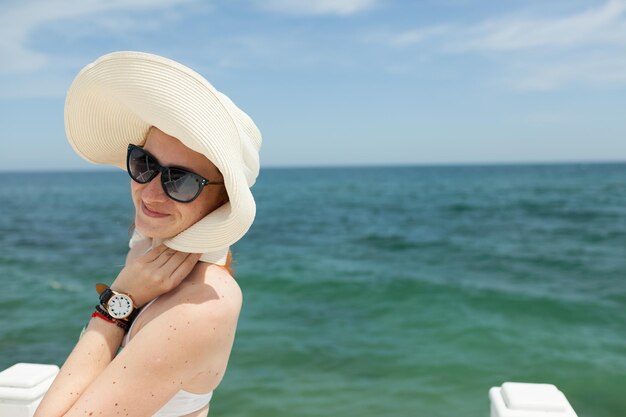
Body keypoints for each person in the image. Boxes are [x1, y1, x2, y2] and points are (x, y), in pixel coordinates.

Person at [34, 51, 262, 417]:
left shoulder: (198, 307)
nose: (151, 192)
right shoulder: (147, 257)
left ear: (222, 200)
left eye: (182, 180)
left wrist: (116, 304)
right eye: (145, 164)